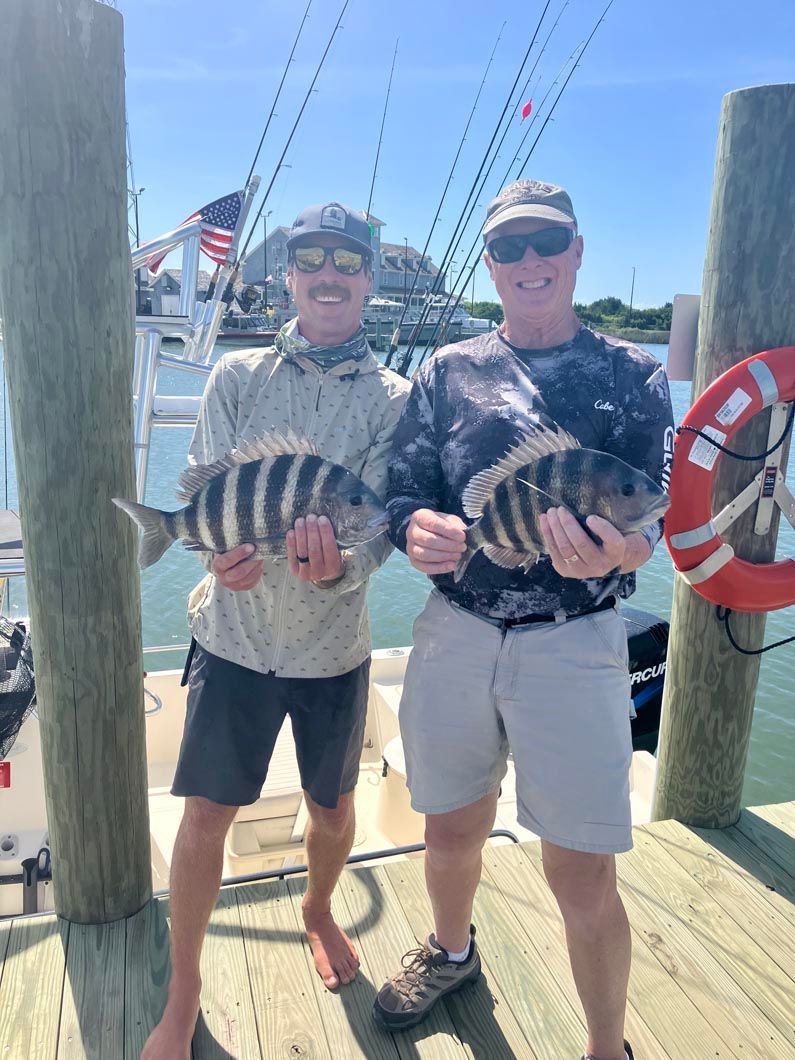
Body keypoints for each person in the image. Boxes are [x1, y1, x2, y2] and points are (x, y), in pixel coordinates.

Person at [376, 180, 674, 1060]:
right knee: (449, 828)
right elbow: (403, 492)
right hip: (457, 630)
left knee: (580, 870)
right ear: (489, 263)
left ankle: (606, 1046)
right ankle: (452, 953)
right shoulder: (445, 371)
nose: (529, 260)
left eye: (547, 241)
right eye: (509, 247)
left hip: (576, 642)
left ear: (577, 251)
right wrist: (412, 529)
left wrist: (620, 553)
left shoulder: (633, 373)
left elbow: (649, 515)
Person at [142, 202, 409, 1060]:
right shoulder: (236, 374)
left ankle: (318, 908)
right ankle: (184, 991)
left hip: (333, 650)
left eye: (347, 261)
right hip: (234, 638)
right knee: (205, 818)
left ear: (369, 278)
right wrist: (213, 558)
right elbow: (205, 486)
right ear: (288, 275)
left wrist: (338, 570)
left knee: (333, 809)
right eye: (311, 260)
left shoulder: (395, 399)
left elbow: (380, 527)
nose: (329, 275)